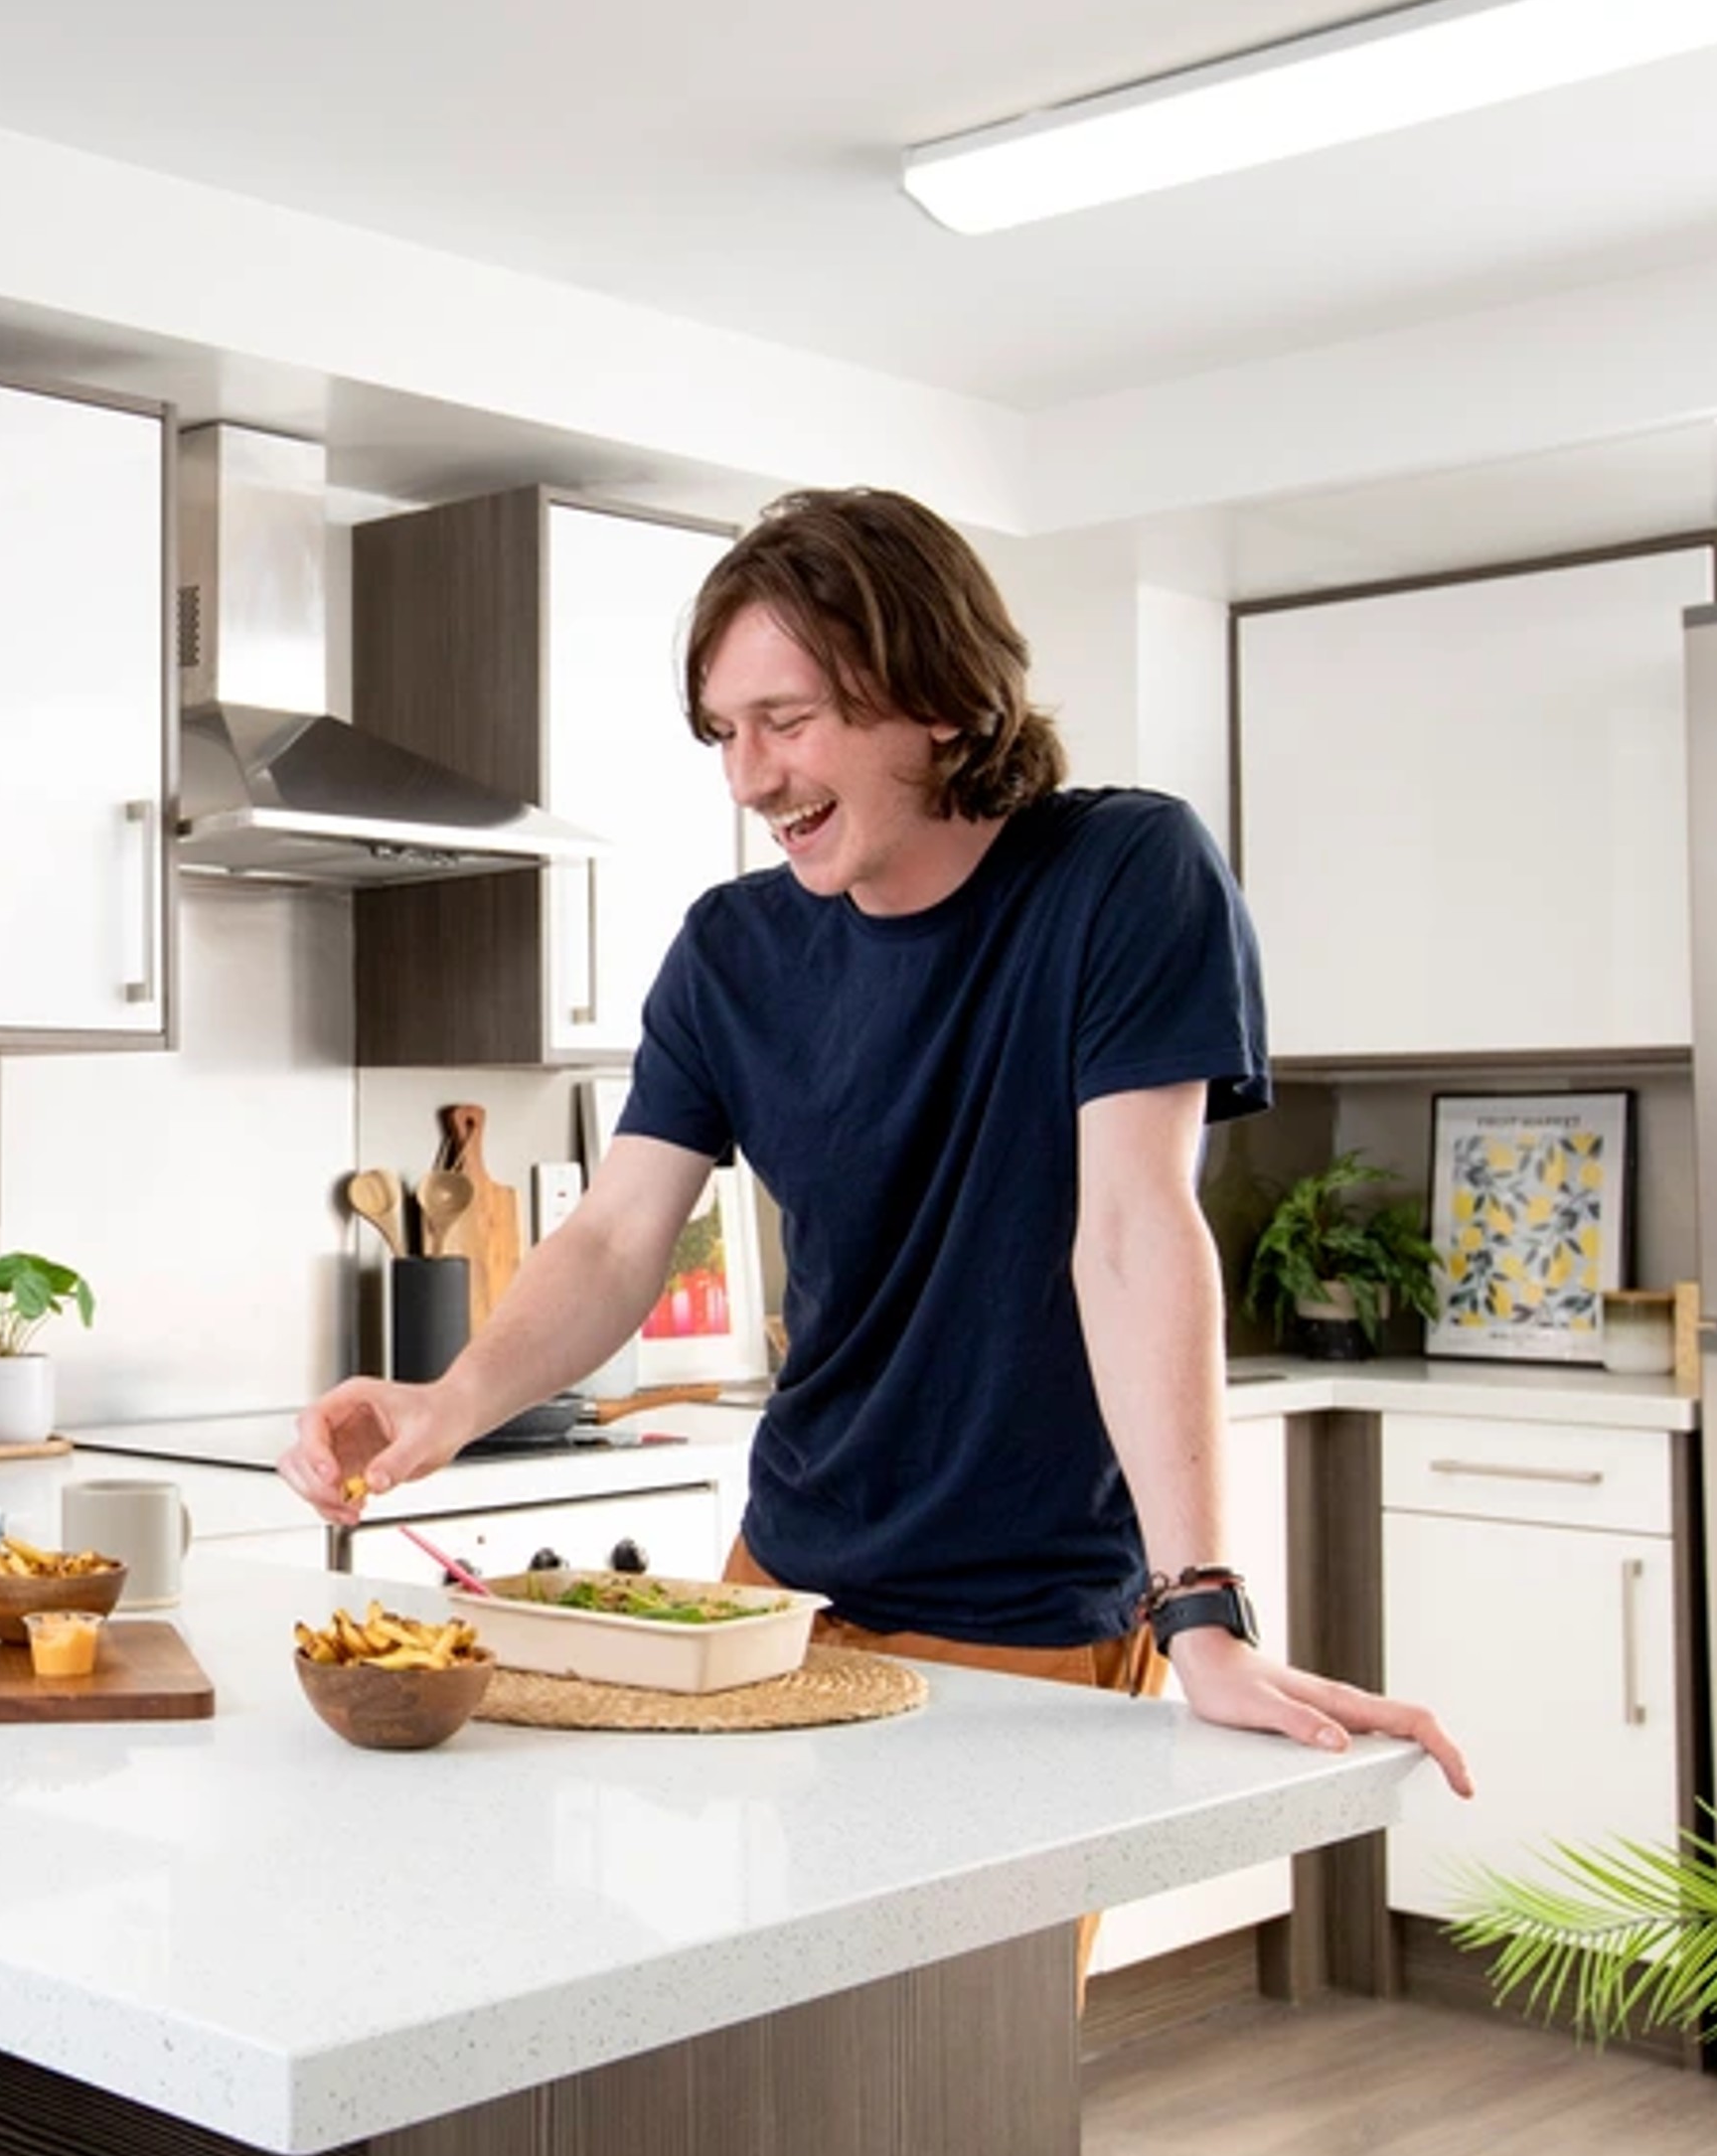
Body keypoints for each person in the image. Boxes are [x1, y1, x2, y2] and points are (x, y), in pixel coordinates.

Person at [284, 490, 1470, 1825]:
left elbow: (1132, 1229)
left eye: (786, 722)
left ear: (943, 699)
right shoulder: (733, 952)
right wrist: (452, 1401)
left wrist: (1201, 1610)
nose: (748, 777)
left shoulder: (1125, 879)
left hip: (1025, 1611)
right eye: (725, 734)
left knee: (961, 2038)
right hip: (775, 1591)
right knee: (751, 2024)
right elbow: (619, 1237)